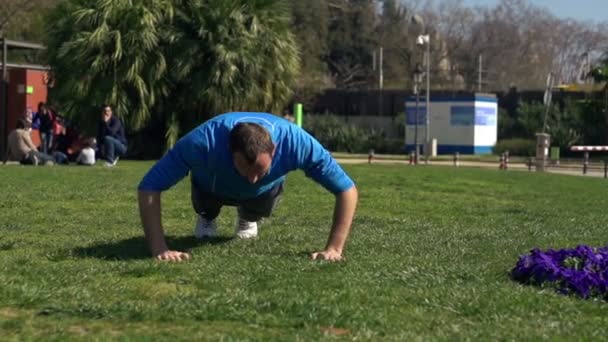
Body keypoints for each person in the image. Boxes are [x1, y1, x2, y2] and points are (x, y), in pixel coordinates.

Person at [138, 112, 358, 262]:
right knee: (206, 205)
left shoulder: (296, 142)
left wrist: (334, 249)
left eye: (260, 171)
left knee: (257, 197)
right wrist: (160, 249)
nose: (252, 178)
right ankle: (207, 216)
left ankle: (248, 216)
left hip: (263, 194)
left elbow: (347, 190)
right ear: (228, 151)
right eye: (245, 169)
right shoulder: (203, 142)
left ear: (275, 150)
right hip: (212, 186)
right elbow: (149, 186)